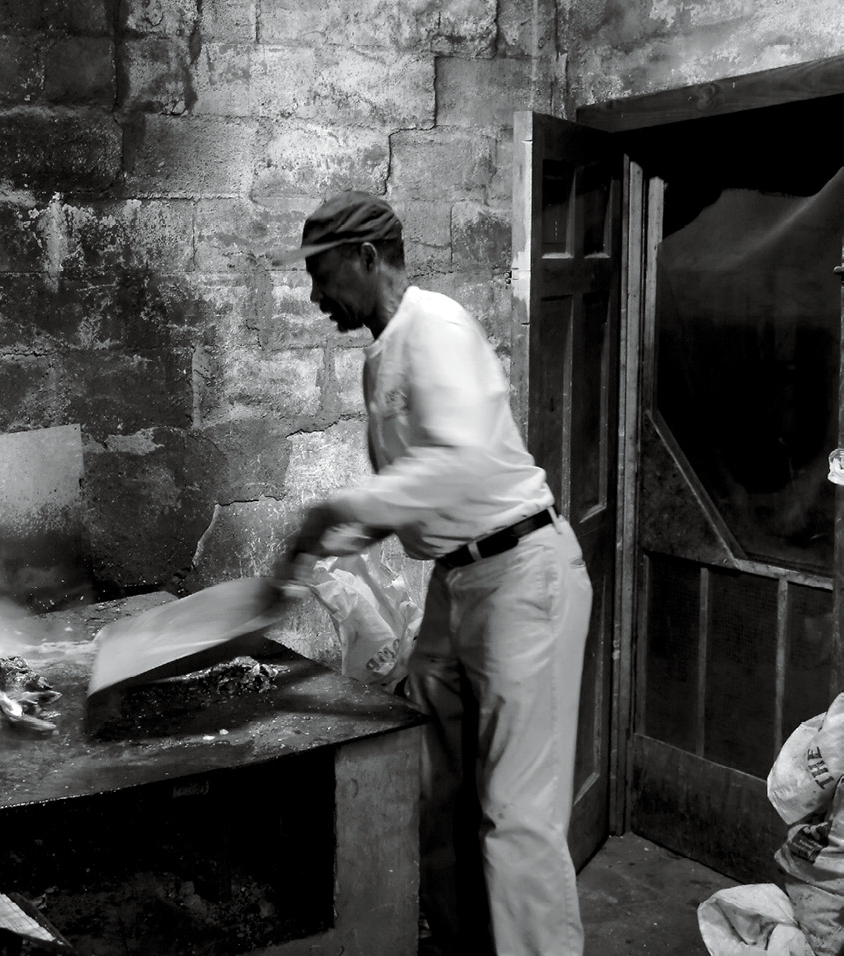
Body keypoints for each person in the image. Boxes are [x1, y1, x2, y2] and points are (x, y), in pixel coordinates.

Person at [275, 192, 593, 956]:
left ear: (366, 259)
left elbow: (459, 464)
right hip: (460, 582)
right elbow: (410, 489)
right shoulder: (382, 351)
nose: (316, 297)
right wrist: (320, 551)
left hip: (523, 575)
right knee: (437, 785)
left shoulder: (437, 326)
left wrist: (332, 511)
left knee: (516, 816)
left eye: (322, 276)